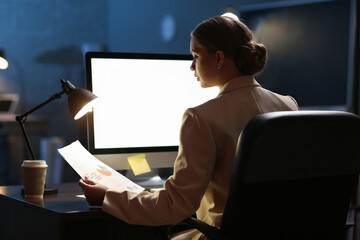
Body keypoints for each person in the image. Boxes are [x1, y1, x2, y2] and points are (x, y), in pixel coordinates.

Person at [79, 15, 299, 239]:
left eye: (195, 56)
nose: (192, 66)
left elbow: (175, 206)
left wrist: (108, 197)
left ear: (219, 58)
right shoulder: (288, 105)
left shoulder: (201, 117)